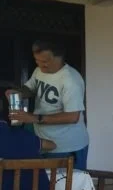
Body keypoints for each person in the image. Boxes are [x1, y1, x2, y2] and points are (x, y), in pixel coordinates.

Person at [5, 39, 89, 170]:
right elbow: (31, 89)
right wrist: (18, 93)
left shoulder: (71, 80)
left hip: (66, 146)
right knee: (44, 186)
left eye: (44, 61)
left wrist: (34, 118)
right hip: (43, 141)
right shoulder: (39, 71)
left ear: (59, 58)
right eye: (36, 60)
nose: (40, 65)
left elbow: (73, 117)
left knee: (66, 188)